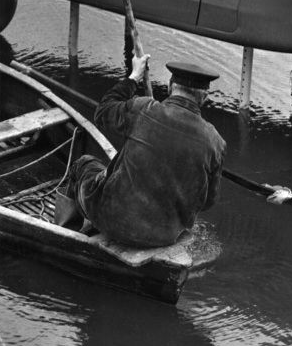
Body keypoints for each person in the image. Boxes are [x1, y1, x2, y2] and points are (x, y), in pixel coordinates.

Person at [65, 54, 227, 248]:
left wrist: (133, 77)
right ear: (204, 97)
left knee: (82, 164)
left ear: (169, 86)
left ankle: (65, 232)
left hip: (112, 220)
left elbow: (102, 113)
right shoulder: (216, 141)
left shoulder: (143, 108)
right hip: (164, 235)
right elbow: (208, 202)